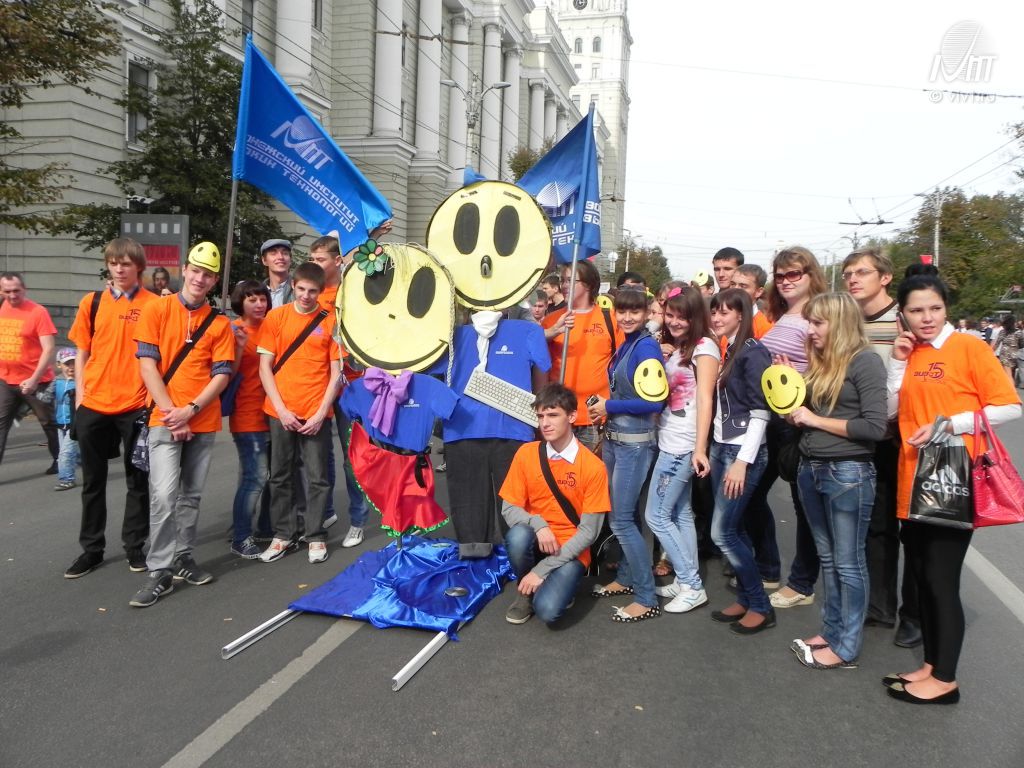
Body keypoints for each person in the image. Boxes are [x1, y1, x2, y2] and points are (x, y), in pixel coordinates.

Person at [884, 271, 1020, 703]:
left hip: (953, 478)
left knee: (941, 580)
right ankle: (930, 665)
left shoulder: (969, 347)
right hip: (913, 477)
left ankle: (946, 681)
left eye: (935, 308)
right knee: (922, 576)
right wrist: (897, 363)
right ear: (903, 314)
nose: (927, 317)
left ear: (946, 309)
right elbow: (888, 410)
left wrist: (949, 424)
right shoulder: (910, 350)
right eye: (916, 310)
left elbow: (1010, 407)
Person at [129, 242, 235, 607]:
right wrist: (172, 413)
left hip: (201, 419)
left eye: (208, 275)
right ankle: (160, 569)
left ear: (214, 281)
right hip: (164, 418)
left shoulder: (219, 323)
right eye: (196, 270)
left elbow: (222, 374)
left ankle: (183, 556)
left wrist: (190, 410)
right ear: (185, 270)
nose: (200, 278)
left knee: (191, 495)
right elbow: (147, 365)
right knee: (163, 495)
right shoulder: (156, 309)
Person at [787, 293, 887, 669]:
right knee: (829, 558)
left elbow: (874, 427)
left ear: (840, 323)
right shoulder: (821, 362)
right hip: (811, 467)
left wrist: (814, 420)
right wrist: (791, 400)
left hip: (848, 472)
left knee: (848, 561)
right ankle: (831, 631)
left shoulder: (865, 361)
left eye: (818, 323)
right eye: (809, 322)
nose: (810, 330)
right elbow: (805, 415)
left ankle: (846, 646)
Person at [64, 238, 158, 579]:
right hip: (94, 404)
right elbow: (82, 353)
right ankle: (91, 549)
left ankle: (134, 546)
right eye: (114, 263)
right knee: (93, 481)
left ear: (139, 267)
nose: (119, 269)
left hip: (135, 405)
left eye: (126, 263)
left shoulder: (155, 305)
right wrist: (80, 399)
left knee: (138, 481)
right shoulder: (92, 302)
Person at [843, 246, 921, 648]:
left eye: (862, 272)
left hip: (906, 438)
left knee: (916, 532)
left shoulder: (905, 318)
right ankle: (879, 606)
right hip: (864, 437)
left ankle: (915, 615)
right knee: (875, 526)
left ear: (885, 278)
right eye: (848, 274)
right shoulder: (850, 322)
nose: (853, 279)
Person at [499, 383, 610, 625]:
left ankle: (549, 579)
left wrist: (542, 569)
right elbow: (508, 508)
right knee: (518, 536)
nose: (545, 423)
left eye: (553, 415)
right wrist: (538, 524)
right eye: (541, 416)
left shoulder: (593, 467)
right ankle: (525, 593)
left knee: (548, 612)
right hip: (536, 538)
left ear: (572, 416)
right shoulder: (526, 453)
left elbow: (589, 532)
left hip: (570, 547)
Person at [755, 246, 827, 610]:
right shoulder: (783, 315)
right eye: (780, 275)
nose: (785, 281)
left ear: (811, 275)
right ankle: (768, 567)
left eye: (793, 274)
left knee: (805, 507)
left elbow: (827, 372)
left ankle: (801, 583)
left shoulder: (818, 316)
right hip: (772, 419)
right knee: (751, 494)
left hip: (798, 422)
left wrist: (792, 379)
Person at [589, 288, 667, 622]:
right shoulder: (629, 342)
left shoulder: (645, 347)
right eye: (622, 311)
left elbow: (654, 402)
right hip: (617, 441)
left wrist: (609, 405)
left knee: (621, 520)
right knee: (625, 516)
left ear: (647, 312)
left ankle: (647, 597)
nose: (627, 317)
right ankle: (626, 577)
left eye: (635, 311)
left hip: (634, 445)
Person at [257, 262, 342, 565]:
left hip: (315, 411)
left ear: (321, 292)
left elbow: (336, 373)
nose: (306, 296)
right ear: (293, 286)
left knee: (318, 477)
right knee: (280, 475)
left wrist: (321, 413)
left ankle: (315, 535)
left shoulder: (331, 321)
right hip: (280, 410)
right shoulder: (276, 317)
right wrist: (281, 409)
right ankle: (283, 534)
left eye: (313, 291)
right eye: (302, 289)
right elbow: (264, 367)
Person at [645, 286, 718, 613]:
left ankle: (692, 584)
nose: (674, 321)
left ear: (695, 317)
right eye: (670, 315)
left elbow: (705, 399)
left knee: (656, 515)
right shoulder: (682, 347)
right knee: (680, 513)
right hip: (670, 438)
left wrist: (700, 448)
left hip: (682, 445)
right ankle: (687, 578)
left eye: (681, 317)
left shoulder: (704, 347)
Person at [706, 288, 774, 633]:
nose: (717, 317)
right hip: (722, 447)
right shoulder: (730, 348)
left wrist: (742, 462)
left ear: (741, 315)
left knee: (723, 533)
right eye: (715, 311)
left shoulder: (753, 352)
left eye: (725, 312)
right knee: (736, 528)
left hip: (741, 453)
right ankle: (747, 598)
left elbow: (761, 412)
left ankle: (760, 604)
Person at [309, 234, 367, 547]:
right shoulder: (308, 293)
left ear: (337, 261)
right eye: (312, 259)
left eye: (320, 259)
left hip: (350, 385)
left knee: (350, 457)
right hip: (316, 384)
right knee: (319, 458)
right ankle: (326, 511)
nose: (314, 264)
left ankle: (358, 520)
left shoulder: (352, 292)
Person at [542, 260, 623, 451]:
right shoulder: (551, 320)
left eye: (570, 280)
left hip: (594, 417)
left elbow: (623, 362)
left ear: (588, 284)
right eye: (563, 280)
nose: (564, 285)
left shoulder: (610, 318)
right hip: (559, 414)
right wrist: (551, 332)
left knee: (590, 468)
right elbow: (537, 361)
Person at [226, 280, 272, 559]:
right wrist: (240, 348)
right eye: (251, 299)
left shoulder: (272, 326)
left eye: (262, 299)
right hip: (246, 414)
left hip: (273, 412)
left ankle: (266, 527)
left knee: (273, 476)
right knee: (255, 477)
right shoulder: (233, 330)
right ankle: (241, 536)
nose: (259, 304)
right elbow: (224, 376)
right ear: (240, 303)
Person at [0, 272, 58, 473]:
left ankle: (61, 460)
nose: (12, 295)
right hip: (5, 380)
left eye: (16, 290)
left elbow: (49, 349)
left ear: (24, 289)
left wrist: (34, 379)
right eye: (7, 291)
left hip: (37, 382)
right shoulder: (1, 308)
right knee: (1, 425)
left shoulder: (37, 312)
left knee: (48, 422)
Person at [52, 348, 81, 491]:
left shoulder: (82, 381)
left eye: (74, 363)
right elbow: (44, 398)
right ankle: (82, 459)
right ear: (59, 365)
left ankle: (67, 479)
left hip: (75, 423)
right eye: (67, 364)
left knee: (65, 453)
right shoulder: (56, 382)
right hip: (60, 424)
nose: (71, 367)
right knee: (68, 452)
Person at [731, 264, 773, 339]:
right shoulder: (721, 319)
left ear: (758, 292)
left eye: (743, 286)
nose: (735, 289)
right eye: (733, 284)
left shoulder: (766, 328)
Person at [261, 239, 294, 308]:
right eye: (273, 253)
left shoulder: (300, 290)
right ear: (264, 260)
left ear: (290, 260)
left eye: (285, 253)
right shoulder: (258, 292)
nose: (280, 257)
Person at [995, 314, 1020, 383]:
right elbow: (1022, 343)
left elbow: (996, 344)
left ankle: (1011, 388)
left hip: (1005, 355)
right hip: (1015, 354)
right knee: (1012, 374)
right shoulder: (1018, 332)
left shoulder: (1003, 332)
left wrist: (990, 352)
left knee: (1008, 375)